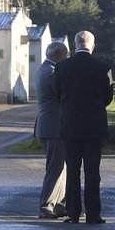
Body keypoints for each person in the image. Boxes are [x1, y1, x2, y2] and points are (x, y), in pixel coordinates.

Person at [55, 31, 114, 224]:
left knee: (72, 171)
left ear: (74, 44)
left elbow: (58, 96)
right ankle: (93, 213)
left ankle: (73, 213)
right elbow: (108, 98)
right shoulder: (104, 68)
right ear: (93, 45)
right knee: (92, 171)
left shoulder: (61, 67)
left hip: (70, 126)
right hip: (94, 127)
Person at [34, 40, 70, 219]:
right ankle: (46, 205)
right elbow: (63, 95)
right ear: (60, 55)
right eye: (66, 55)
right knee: (55, 168)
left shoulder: (44, 69)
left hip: (49, 125)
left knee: (60, 167)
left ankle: (59, 204)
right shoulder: (52, 72)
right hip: (54, 126)